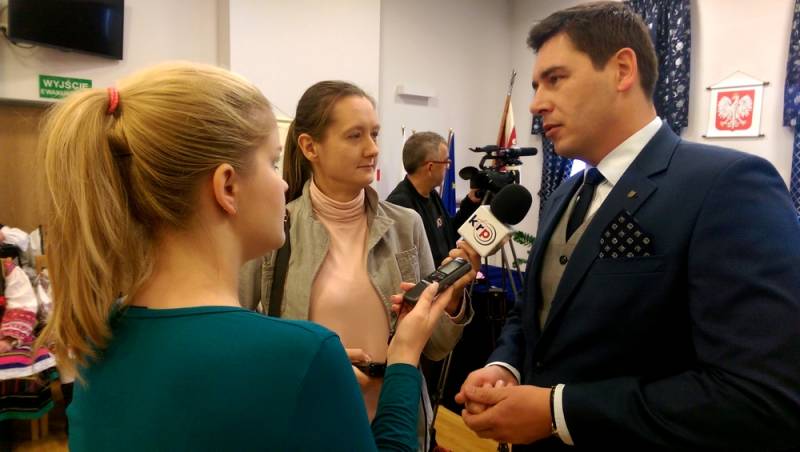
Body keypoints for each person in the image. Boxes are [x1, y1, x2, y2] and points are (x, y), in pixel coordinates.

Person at [36, 61, 462, 451]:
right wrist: (402, 358)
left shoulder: (96, 340)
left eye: (375, 134)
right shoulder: (303, 354)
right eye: (272, 163)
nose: (283, 184)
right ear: (227, 187)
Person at [456, 2, 800, 450]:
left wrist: (559, 412)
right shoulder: (565, 193)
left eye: (555, 79)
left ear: (622, 70)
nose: (536, 103)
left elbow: (762, 397)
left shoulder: (727, 186)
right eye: (536, 85)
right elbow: (534, 314)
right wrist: (505, 368)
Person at [239, 81, 478, 452]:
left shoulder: (406, 225)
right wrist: (309, 365)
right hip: (306, 425)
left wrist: (453, 300)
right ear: (310, 147)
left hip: (400, 420)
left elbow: (435, 348)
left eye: (375, 134)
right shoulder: (273, 228)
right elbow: (236, 337)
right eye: (355, 136)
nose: (373, 149)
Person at [386, 131, 480, 266]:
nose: (447, 167)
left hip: (445, 276)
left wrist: (469, 202)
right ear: (430, 167)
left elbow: (449, 233)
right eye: (446, 162)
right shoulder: (399, 205)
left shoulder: (431, 193)